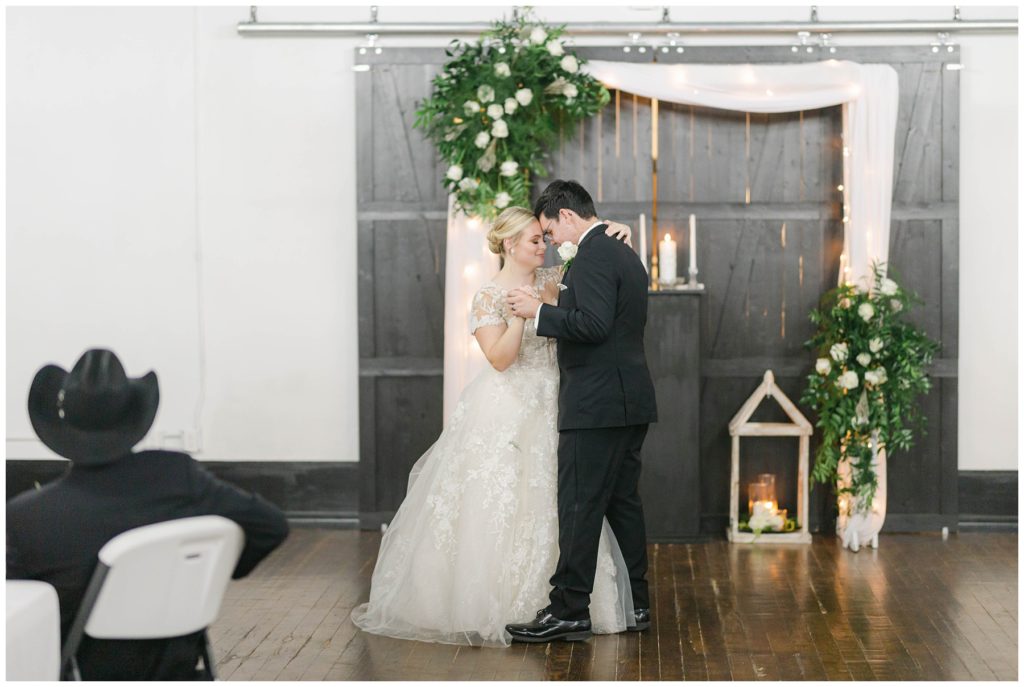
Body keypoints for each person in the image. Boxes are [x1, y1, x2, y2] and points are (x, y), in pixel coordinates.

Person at [351, 207, 635, 647]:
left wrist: (621, 231)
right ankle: (497, 601)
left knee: (564, 501)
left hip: (558, 401)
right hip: (508, 405)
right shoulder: (486, 296)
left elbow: (592, 264)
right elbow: (500, 360)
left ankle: (566, 603)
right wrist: (523, 314)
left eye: (544, 238)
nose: (543, 246)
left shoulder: (553, 279)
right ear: (508, 245)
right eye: (534, 240)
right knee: (501, 497)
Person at [6, 348, 290, 680]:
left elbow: (19, 610)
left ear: (60, 424)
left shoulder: (28, 517)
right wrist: (211, 572)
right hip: (175, 664)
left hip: (85, 670)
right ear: (132, 418)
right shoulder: (177, 476)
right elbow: (272, 525)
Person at [505, 179, 658, 643]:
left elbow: (591, 326)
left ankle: (568, 610)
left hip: (595, 404)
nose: (552, 244)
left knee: (579, 506)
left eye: (551, 233)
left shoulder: (593, 255)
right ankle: (637, 603)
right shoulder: (622, 252)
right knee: (621, 505)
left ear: (567, 216)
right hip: (627, 401)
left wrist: (537, 311)